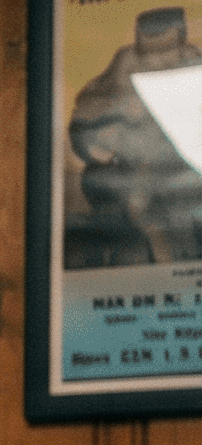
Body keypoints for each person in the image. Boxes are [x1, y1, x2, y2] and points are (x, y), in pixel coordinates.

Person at [68, 5, 202, 266]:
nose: (159, 63)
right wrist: (114, 117)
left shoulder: (194, 63)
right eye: (151, 54)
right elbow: (86, 117)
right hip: (136, 173)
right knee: (140, 208)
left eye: (168, 53)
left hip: (185, 174)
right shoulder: (125, 64)